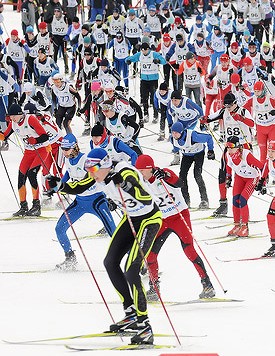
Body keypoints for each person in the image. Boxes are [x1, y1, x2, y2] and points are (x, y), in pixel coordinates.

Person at [55, 148, 163, 345]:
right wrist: (59, 185)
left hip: (149, 219)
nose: (91, 174)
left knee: (131, 270)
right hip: (130, 218)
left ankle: (145, 326)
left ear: (104, 165)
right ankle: (130, 313)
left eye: (93, 169)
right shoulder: (99, 176)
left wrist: (125, 184)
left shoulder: (124, 171)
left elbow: (145, 197)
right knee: (110, 262)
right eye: (88, 170)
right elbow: (79, 187)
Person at [134, 155, 215, 300]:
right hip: (161, 221)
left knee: (189, 250)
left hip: (179, 217)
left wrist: (165, 176)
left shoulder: (163, 173)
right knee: (150, 254)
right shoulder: (141, 182)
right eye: (138, 171)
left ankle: (207, 284)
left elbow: (179, 183)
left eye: (142, 171)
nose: (140, 174)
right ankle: (154, 289)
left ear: (150, 168)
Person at [44, 134, 115, 270]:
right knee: (59, 229)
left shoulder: (86, 160)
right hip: (80, 202)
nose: (64, 152)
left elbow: (83, 184)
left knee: (114, 233)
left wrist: (62, 187)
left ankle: (138, 262)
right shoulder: (68, 160)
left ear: (75, 147)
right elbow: (68, 174)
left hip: (96, 201)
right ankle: (70, 259)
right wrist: (56, 187)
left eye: (67, 149)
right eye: (62, 149)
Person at [0, 103, 51, 217]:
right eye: (11, 116)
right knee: (21, 175)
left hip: (41, 150)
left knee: (32, 174)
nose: (12, 118)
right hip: (28, 152)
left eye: (14, 116)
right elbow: (4, 136)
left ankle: (36, 206)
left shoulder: (30, 119)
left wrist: (35, 140)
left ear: (20, 114)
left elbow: (45, 136)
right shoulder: (13, 123)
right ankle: (23, 206)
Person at [224, 136, 264, 237]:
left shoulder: (246, 155)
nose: (228, 149)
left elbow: (261, 166)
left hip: (252, 178)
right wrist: (229, 177)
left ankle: (245, 226)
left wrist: (262, 182)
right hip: (240, 177)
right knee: (235, 200)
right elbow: (228, 166)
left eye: (231, 146)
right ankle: (237, 225)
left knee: (242, 199)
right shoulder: (228, 155)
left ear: (237, 146)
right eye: (227, 146)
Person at [170, 122, 214, 210]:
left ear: (181, 132)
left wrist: (210, 151)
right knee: (182, 176)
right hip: (187, 155)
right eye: (173, 133)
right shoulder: (172, 139)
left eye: (176, 133)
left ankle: (204, 200)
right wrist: (176, 152)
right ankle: (185, 200)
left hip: (198, 154)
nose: (174, 135)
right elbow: (176, 146)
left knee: (197, 175)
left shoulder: (193, 136)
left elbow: (209, 137)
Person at [242, 80, 275, 162]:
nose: (256, 93)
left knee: (273, 150)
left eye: (258, 91)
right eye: (255, 91)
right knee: (263, 151)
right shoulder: (252, 99)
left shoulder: (270, 98)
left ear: (263, 90)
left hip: (272, 127)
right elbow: (242, 108)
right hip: (260, 128)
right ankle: (263, 169)